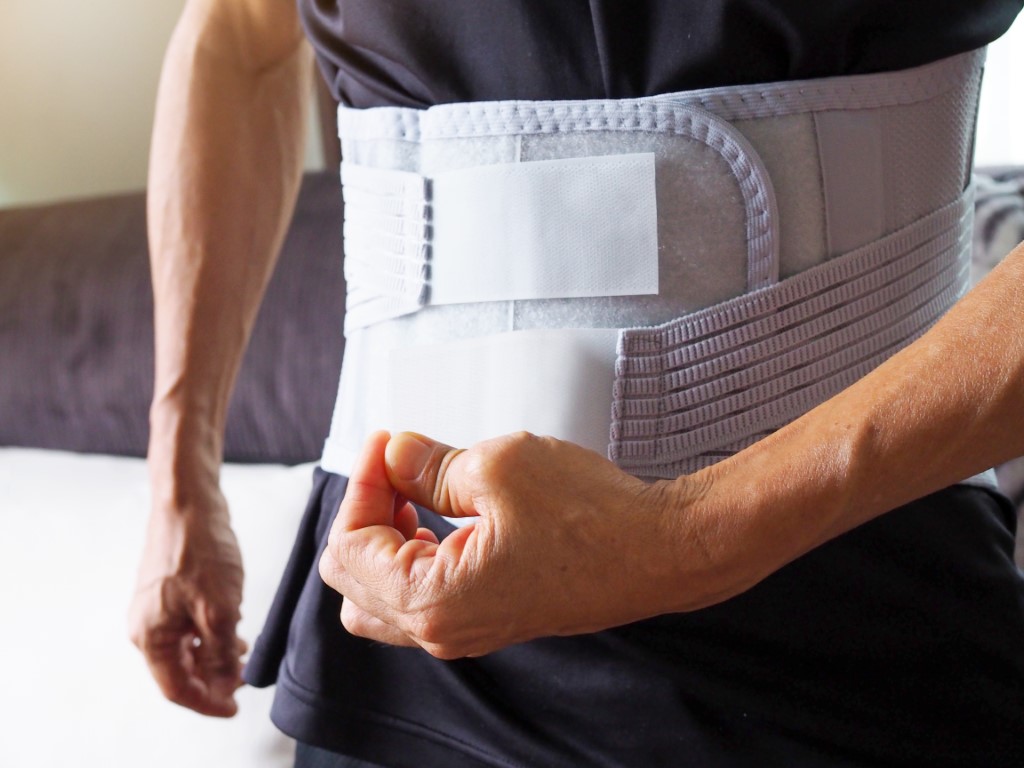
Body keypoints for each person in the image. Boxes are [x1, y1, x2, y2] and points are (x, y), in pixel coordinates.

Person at [129, 1, 1024, 765]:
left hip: (829, 609)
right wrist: (181, 476)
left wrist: (687, 540)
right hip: (399, 616)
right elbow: (238, 37)